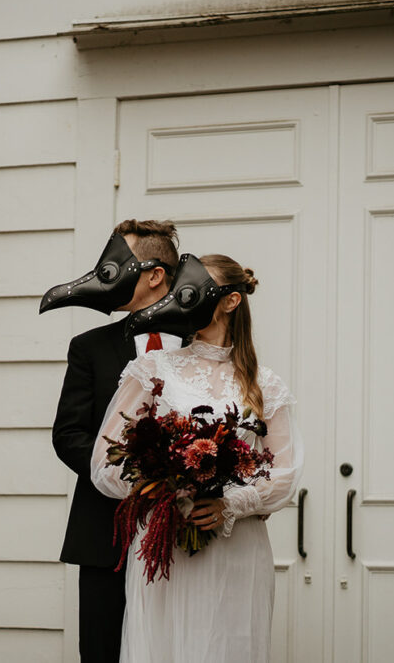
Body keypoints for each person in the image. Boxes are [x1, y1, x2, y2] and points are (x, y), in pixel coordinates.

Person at [90, 254, 304, 663]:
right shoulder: (152, 369)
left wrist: (230, 504)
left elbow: (285, 473)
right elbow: (105, 459)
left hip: (234, 547)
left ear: (230, 300)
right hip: (165, 541)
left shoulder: (264, 384)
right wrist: (165, 485)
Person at [49, 220, 182, 663]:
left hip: (188, 538)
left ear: (154, 273)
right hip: (106, 537)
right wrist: (132, 479)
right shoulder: (88, 348)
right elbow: (69, 436)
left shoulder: (202, 347)